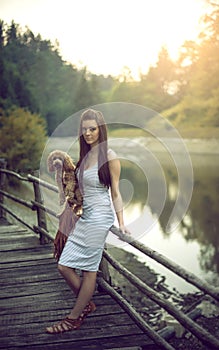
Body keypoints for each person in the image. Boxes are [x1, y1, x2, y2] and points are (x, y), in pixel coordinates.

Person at [46, 108, 130, 334]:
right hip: (85, 217)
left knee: (90, 270)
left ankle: (74, 317)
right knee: (64, 265)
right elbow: (74, 188)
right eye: (84, 129)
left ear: (101, 130)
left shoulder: (109, 156)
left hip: (101, 217)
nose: (88, 133)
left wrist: (121, 222)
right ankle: (86, 304)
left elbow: (115, 192)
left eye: (92, 129)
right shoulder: (84, 157)